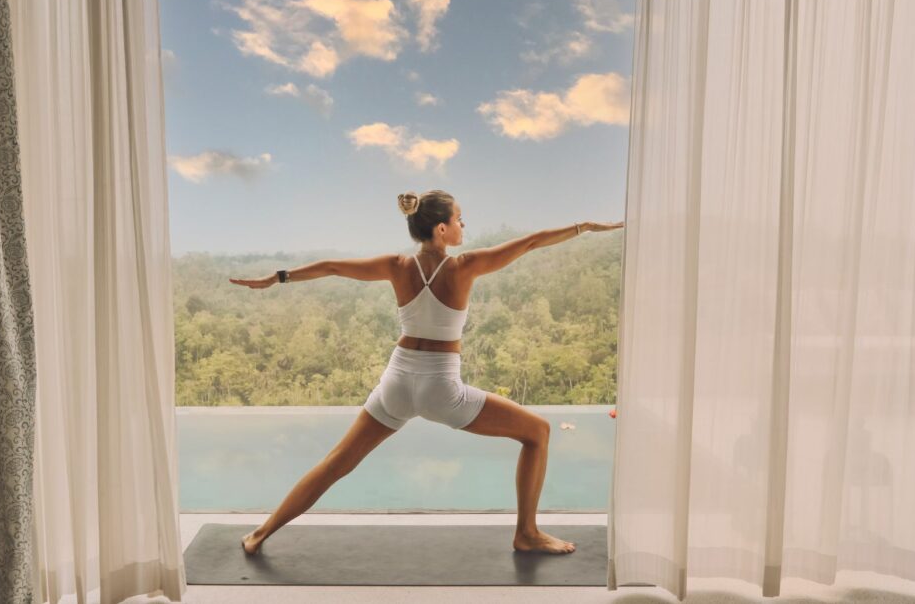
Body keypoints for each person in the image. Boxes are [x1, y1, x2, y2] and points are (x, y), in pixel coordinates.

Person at [229, 189, 624, 556]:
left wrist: (278, 278)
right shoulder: (466, 266)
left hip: (396, 381)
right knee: (537, 432)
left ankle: (260, 533)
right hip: (440, 388)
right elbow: (532, 241)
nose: (463, 226)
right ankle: (527, 533)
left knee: (337, 463)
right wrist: (585, 227)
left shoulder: (396, 266)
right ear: (441, 229)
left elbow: (332, 266)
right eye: (459, 220)